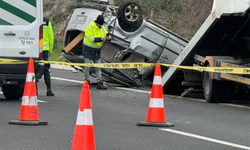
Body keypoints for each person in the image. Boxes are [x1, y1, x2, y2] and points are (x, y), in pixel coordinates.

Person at [82, 15, 111, 90]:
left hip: (96, 51)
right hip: (88, 50)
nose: (101, 26)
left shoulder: (103, 28)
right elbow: (92, 39)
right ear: (96, 23)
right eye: (100, 25)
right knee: (87, 67)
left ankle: (99, 83)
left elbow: (106, 35)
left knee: (98, 67)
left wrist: (108, 38)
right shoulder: (89, 28)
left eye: (102, 25)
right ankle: (86, 81)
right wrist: (101, 38)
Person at [43, 17, 55, 96]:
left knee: (32, 70)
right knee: (46, 69)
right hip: (44, 50)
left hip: (34, 49)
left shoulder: (32, 19)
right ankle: (49, 89)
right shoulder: (46, 21)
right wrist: (50, 49)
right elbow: (51, 36)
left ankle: (34, 90)